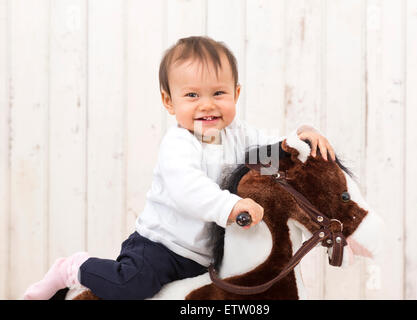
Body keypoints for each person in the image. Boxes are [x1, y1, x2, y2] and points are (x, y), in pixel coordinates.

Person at [23, 36, 336, 300]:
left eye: (218, 93)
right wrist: (232, 205)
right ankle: (74, 268)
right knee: (133, 285)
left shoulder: (238, 136)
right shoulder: (179, 144)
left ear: (236, 94)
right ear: (169, 101)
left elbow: (269, 154)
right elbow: (189, 189)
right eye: (192, 95)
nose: (207, 104)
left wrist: (300, 140)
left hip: (206, 255)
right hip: (161, 246)